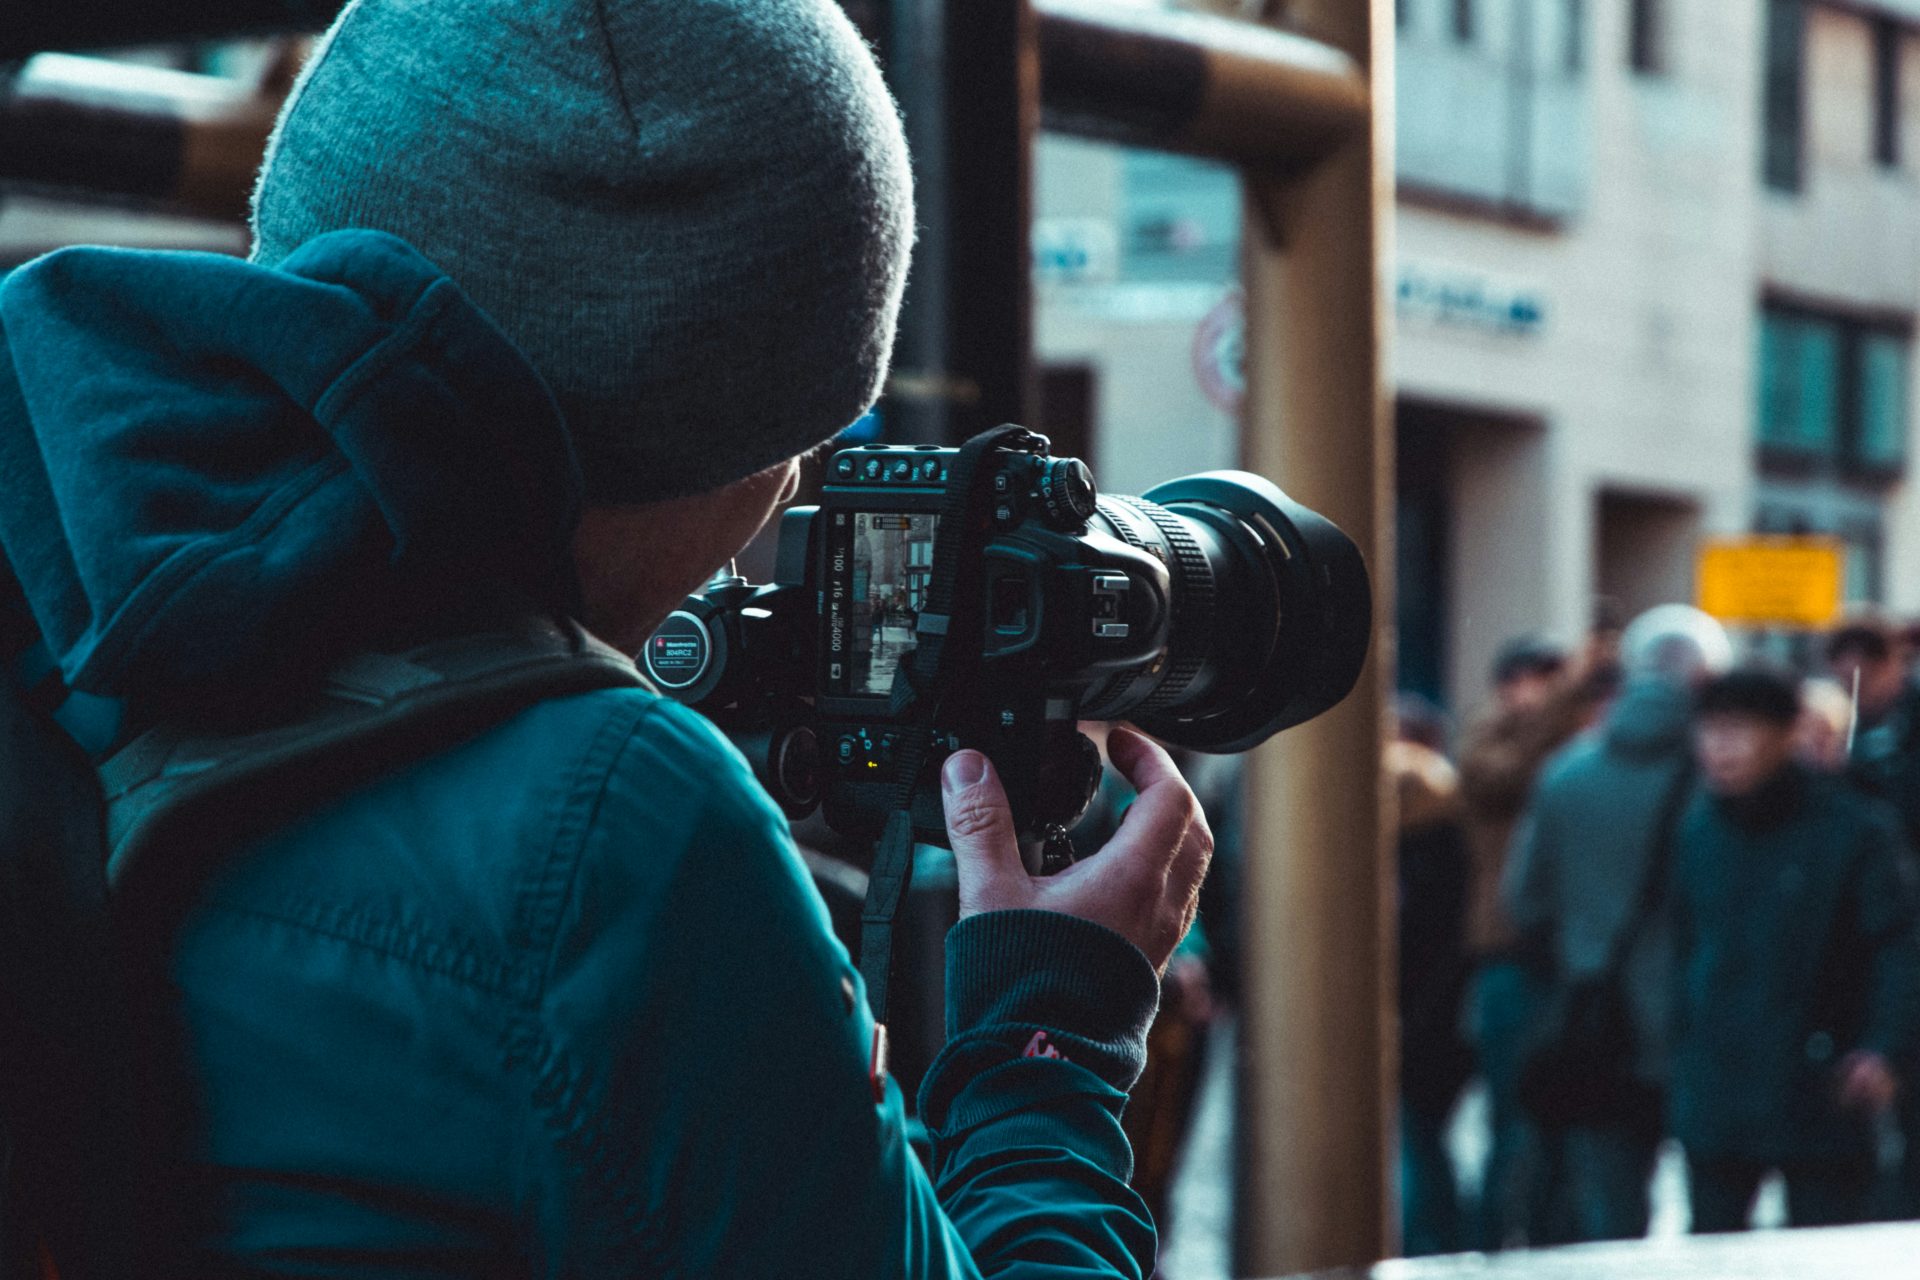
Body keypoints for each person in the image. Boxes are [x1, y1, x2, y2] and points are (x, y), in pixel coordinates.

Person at [0, 1, 1215, 1274]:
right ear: (699, 426)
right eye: (795, 438)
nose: (792, 491)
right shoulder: (618, 826)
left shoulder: (53, 560)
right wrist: (1051, 1041)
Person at [1502, 603, 1732, 1243]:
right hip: (1701, 1024)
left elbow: (1523, 900)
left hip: (1597, 1022)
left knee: (1610, 1216)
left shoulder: (1569, 770)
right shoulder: (1719, 778)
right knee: (1721, 1222)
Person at [1670, 668, 1920, 1233]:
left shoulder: (1853, 828)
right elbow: (1683, 952)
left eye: (1738, 732)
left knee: (1823, 1250)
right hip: (1720, 1089)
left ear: (1786, 736)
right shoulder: (1700, 830)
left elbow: (1897, 947)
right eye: (1709, 732)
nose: (1719, 749)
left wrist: (1883, 1047)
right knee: (1713, 1258)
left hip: (1823, 1083)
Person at [1456, 635, 1602, 1248]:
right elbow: (1505, 777)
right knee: (1513, 1122)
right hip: (1508, 955)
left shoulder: (1578, 741)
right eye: (1523, 679)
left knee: (1574, 1122)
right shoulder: (1491, 745)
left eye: (1546, 678)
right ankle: (1495, 1248)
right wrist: (1566, 698)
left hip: (1572, 956)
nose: (1532, 692)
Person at [1391, 698, 1474, 1256]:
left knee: (1419, 1141)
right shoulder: (1451, 835)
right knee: (1426, 1139)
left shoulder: (1419, 847)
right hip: (1436, 1017)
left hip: (1422, 1019)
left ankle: (1432, 1241)